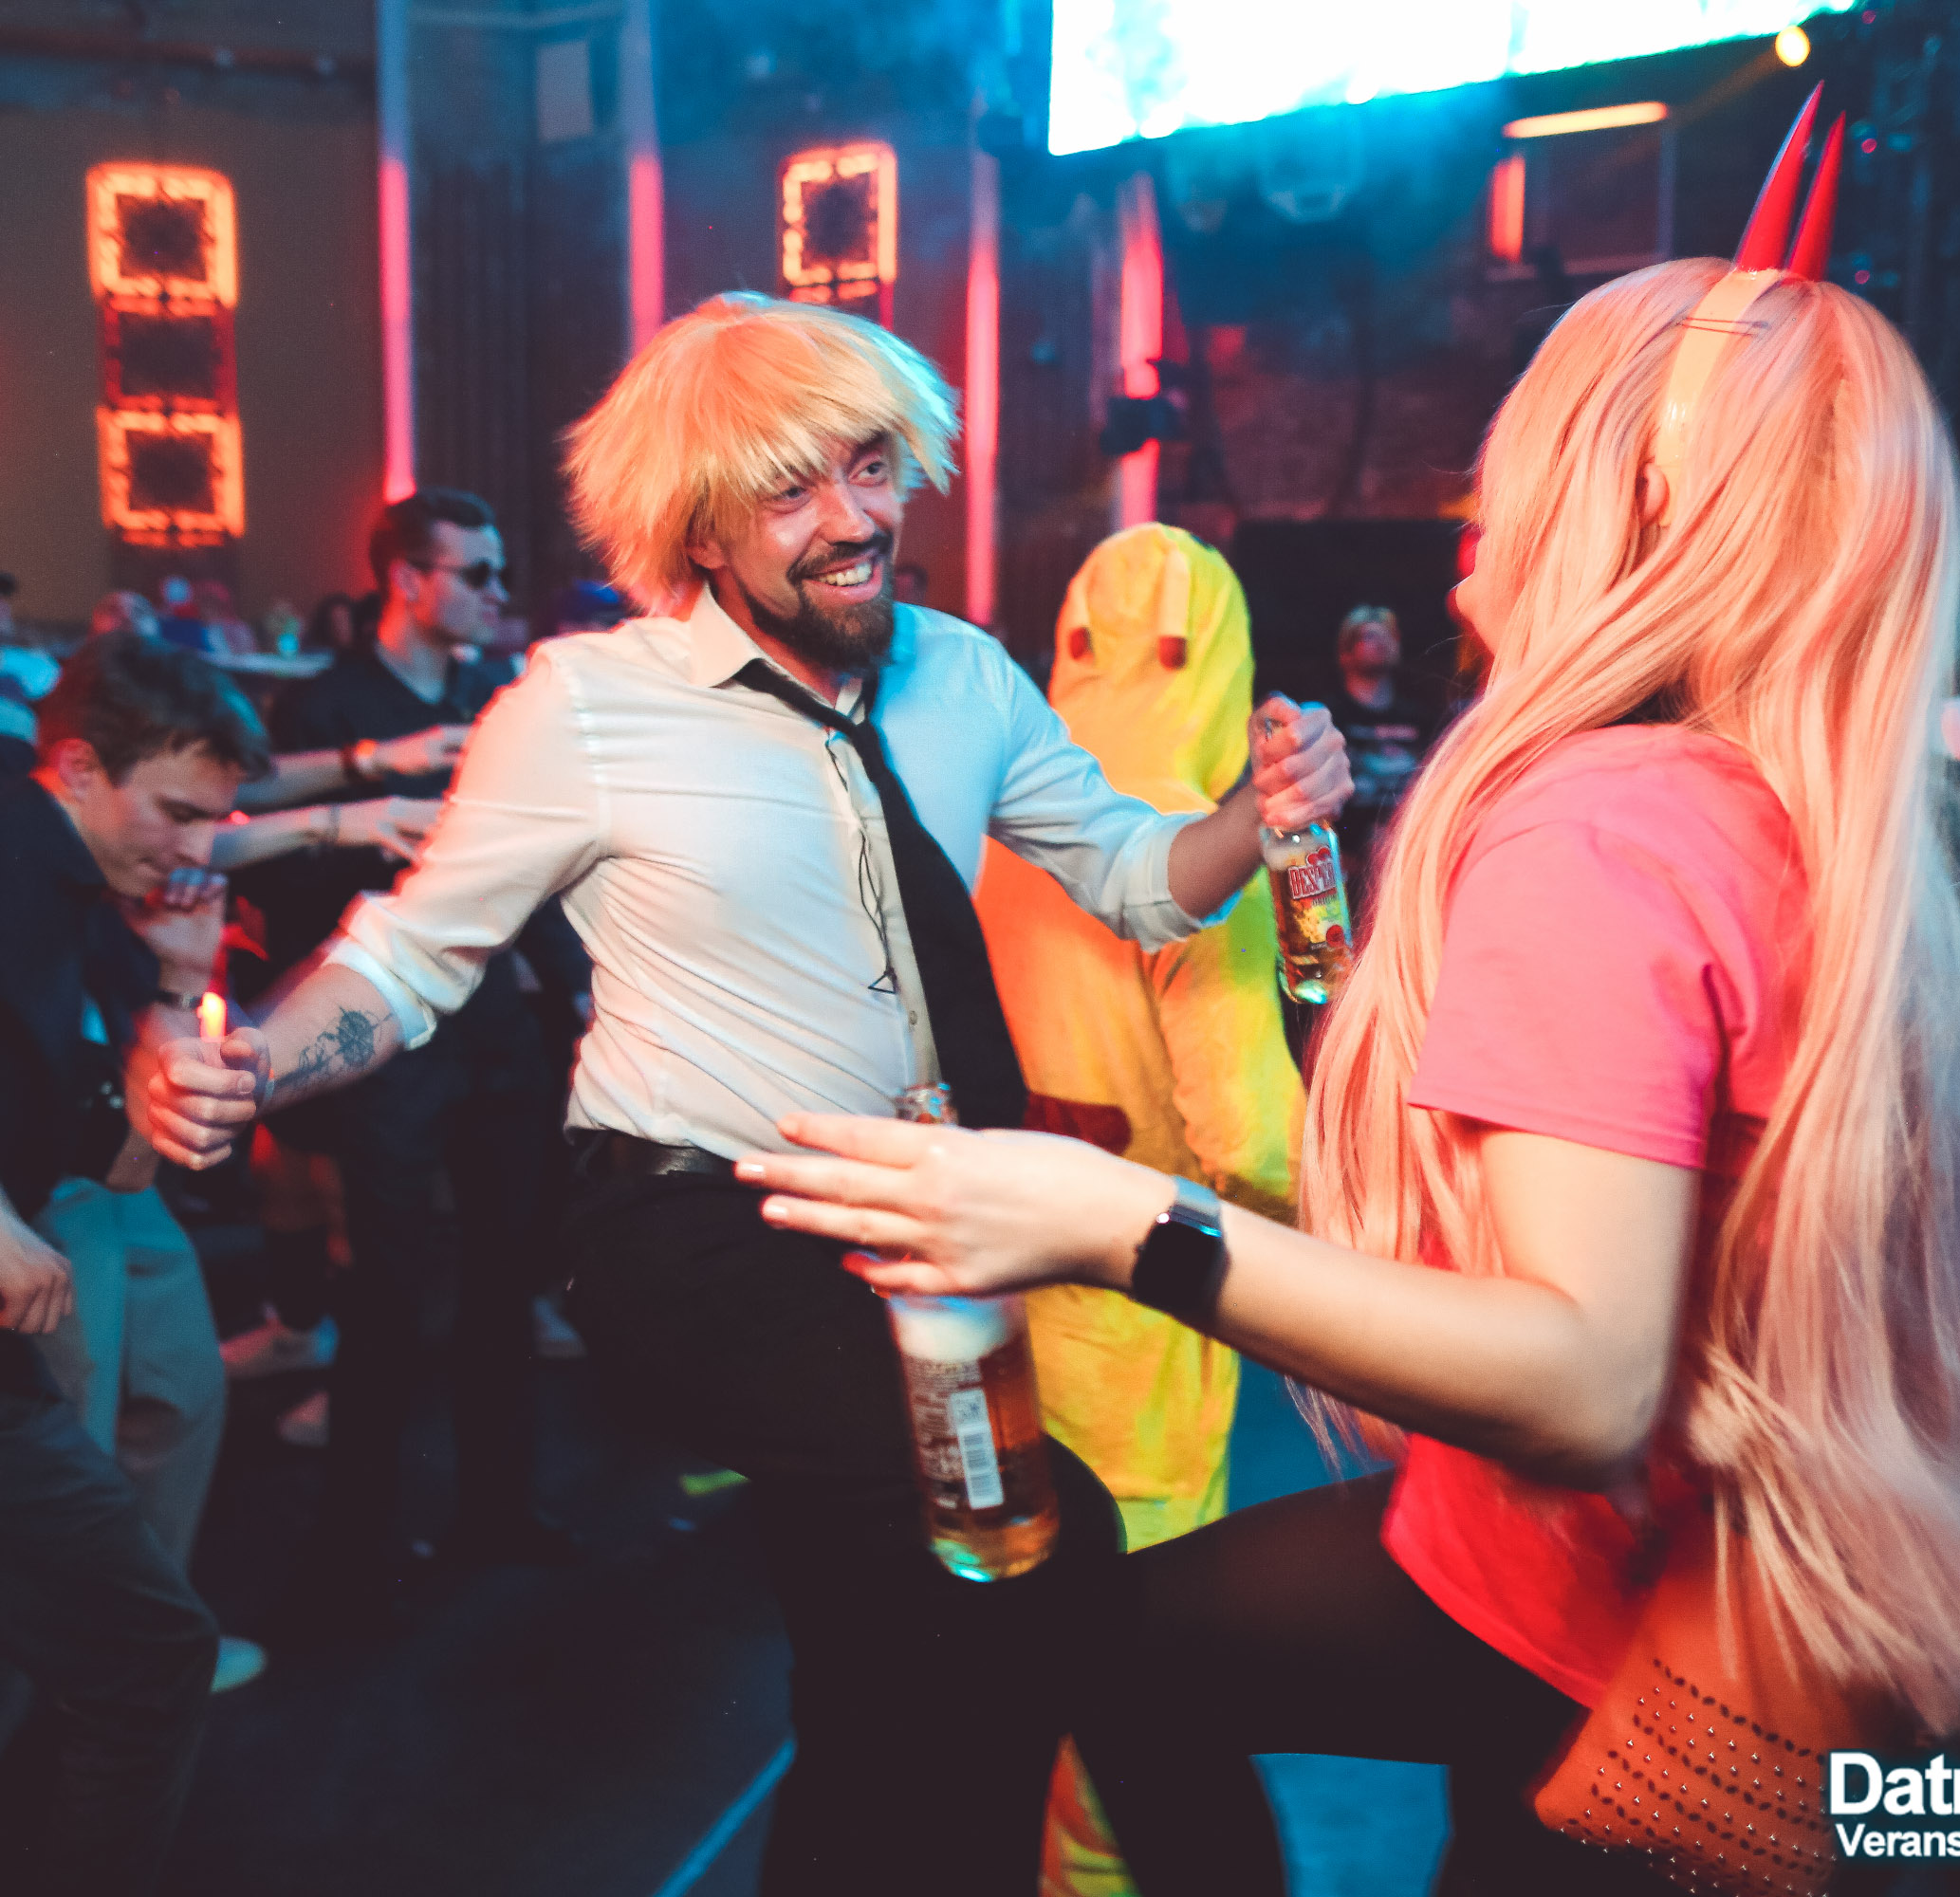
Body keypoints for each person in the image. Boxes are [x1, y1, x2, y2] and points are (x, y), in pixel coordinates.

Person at [729, 233, 1960, 1885]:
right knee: (1113, 1646)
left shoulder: (1596, 826)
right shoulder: (1810, 798)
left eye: (1523, 440)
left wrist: (1108, 1220)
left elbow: (1581, 1385)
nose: (1482, 492)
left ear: (1636, 503)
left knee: (1182, 1692)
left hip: (1617, 1640)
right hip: (1592, 1569)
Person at [135, 289, 1352, 1895]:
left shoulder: (964, 678)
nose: (853, 519)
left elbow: (1135, 875)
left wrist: (1257, 818)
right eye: (790, 489)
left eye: (870, 466)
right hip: (699, 1231)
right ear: (698, 530)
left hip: (921, 1224)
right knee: (1037, 1537)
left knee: (876, 1655)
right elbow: (413, 957)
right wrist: (252, 1063)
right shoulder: (587, 706)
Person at [974, 524, 1306, 1896]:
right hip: (1140, 1294)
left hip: (995, 1283)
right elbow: (1250, 1136)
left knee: (1029, 1638)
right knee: (1140, 1658)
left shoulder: (1004, 806)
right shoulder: (1192, 831)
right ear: (1213, 648)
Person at [228, 488, 563, 1628]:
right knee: (386, 1288)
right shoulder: (329, 704)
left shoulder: (494, 694)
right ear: (407, 577)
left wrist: (567, 984)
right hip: (387, 1036)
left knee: (502, 1280)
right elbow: (258, 847)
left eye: (498, 572)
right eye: (476, 573)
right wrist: (374, 790)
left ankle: (498, 1510)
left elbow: (533, 859)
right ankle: (353, 1548)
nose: (495, 593)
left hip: (496, 1030)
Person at [1, 633, 266, 1891]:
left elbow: (118, 1163)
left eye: (211, 819)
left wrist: (176, 985)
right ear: (75, 770)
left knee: (147, 1648)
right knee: (149, 1653)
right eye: (176, 812)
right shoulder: (15, 852)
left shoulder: (81, 894)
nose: (195, 847)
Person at [1322, 603, 1437, 906]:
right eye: (1369, 636)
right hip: (1346, 866)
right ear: (1346, 653)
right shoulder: (1329, 716)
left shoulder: (1419, 717)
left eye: (1389, 635)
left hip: (1407, 856)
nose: (1382, 642)